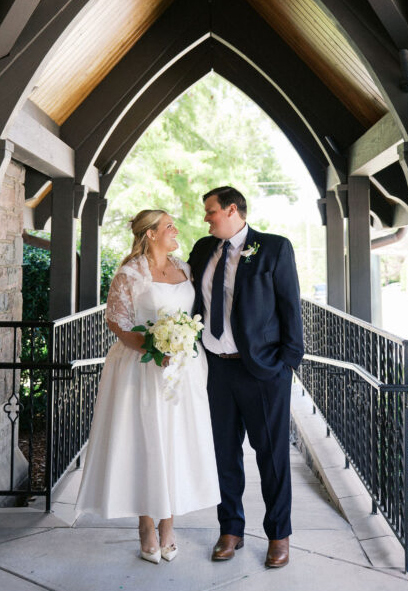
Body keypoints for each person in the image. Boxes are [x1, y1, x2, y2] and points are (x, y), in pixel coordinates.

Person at [75, 209, 220, 563]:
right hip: (141, 368)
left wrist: (178, 347)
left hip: (184, 370)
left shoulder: (185, 269)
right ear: (151, 234)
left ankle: (168, 525)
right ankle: (145, 525)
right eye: (169, 226)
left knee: (176, 442)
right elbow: (118, 322)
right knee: (145, 442)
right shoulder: (130, 273)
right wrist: (154, 348)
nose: (176, 230)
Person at [188, 186, 304, 569]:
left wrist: (287, 363)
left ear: (232, 210)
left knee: (272, 456)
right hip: (216, 369)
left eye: (211, 211)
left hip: (264, 371)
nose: (206, 218)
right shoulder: (203, 249)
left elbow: (290, 306)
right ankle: (231, 529)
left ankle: (278, 535)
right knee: (223, 453)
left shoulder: (273, 248)